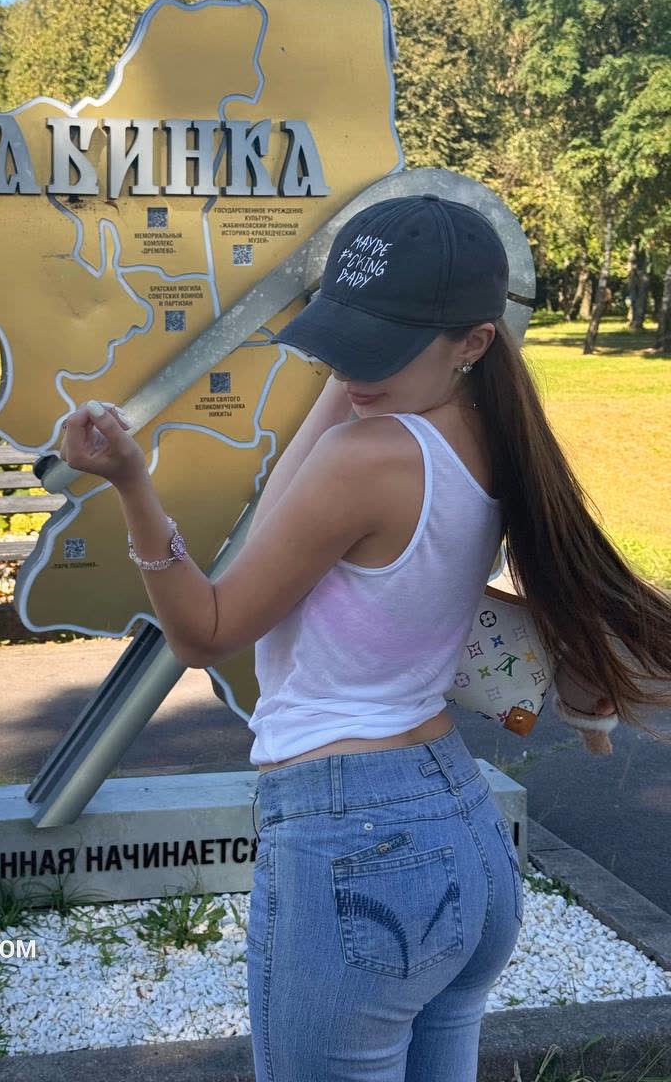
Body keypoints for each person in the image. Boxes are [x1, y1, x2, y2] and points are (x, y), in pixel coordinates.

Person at [58, 192, 671, 1081]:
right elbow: (296, 493)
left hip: (354, 844)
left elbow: (206, 630)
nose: (350, 367)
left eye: (380, 346)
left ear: (474, 341)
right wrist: (355, 370)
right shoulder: (495, 437)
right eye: (343, 337)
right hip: (460, 829)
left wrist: (131, 484)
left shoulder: (370, 459)